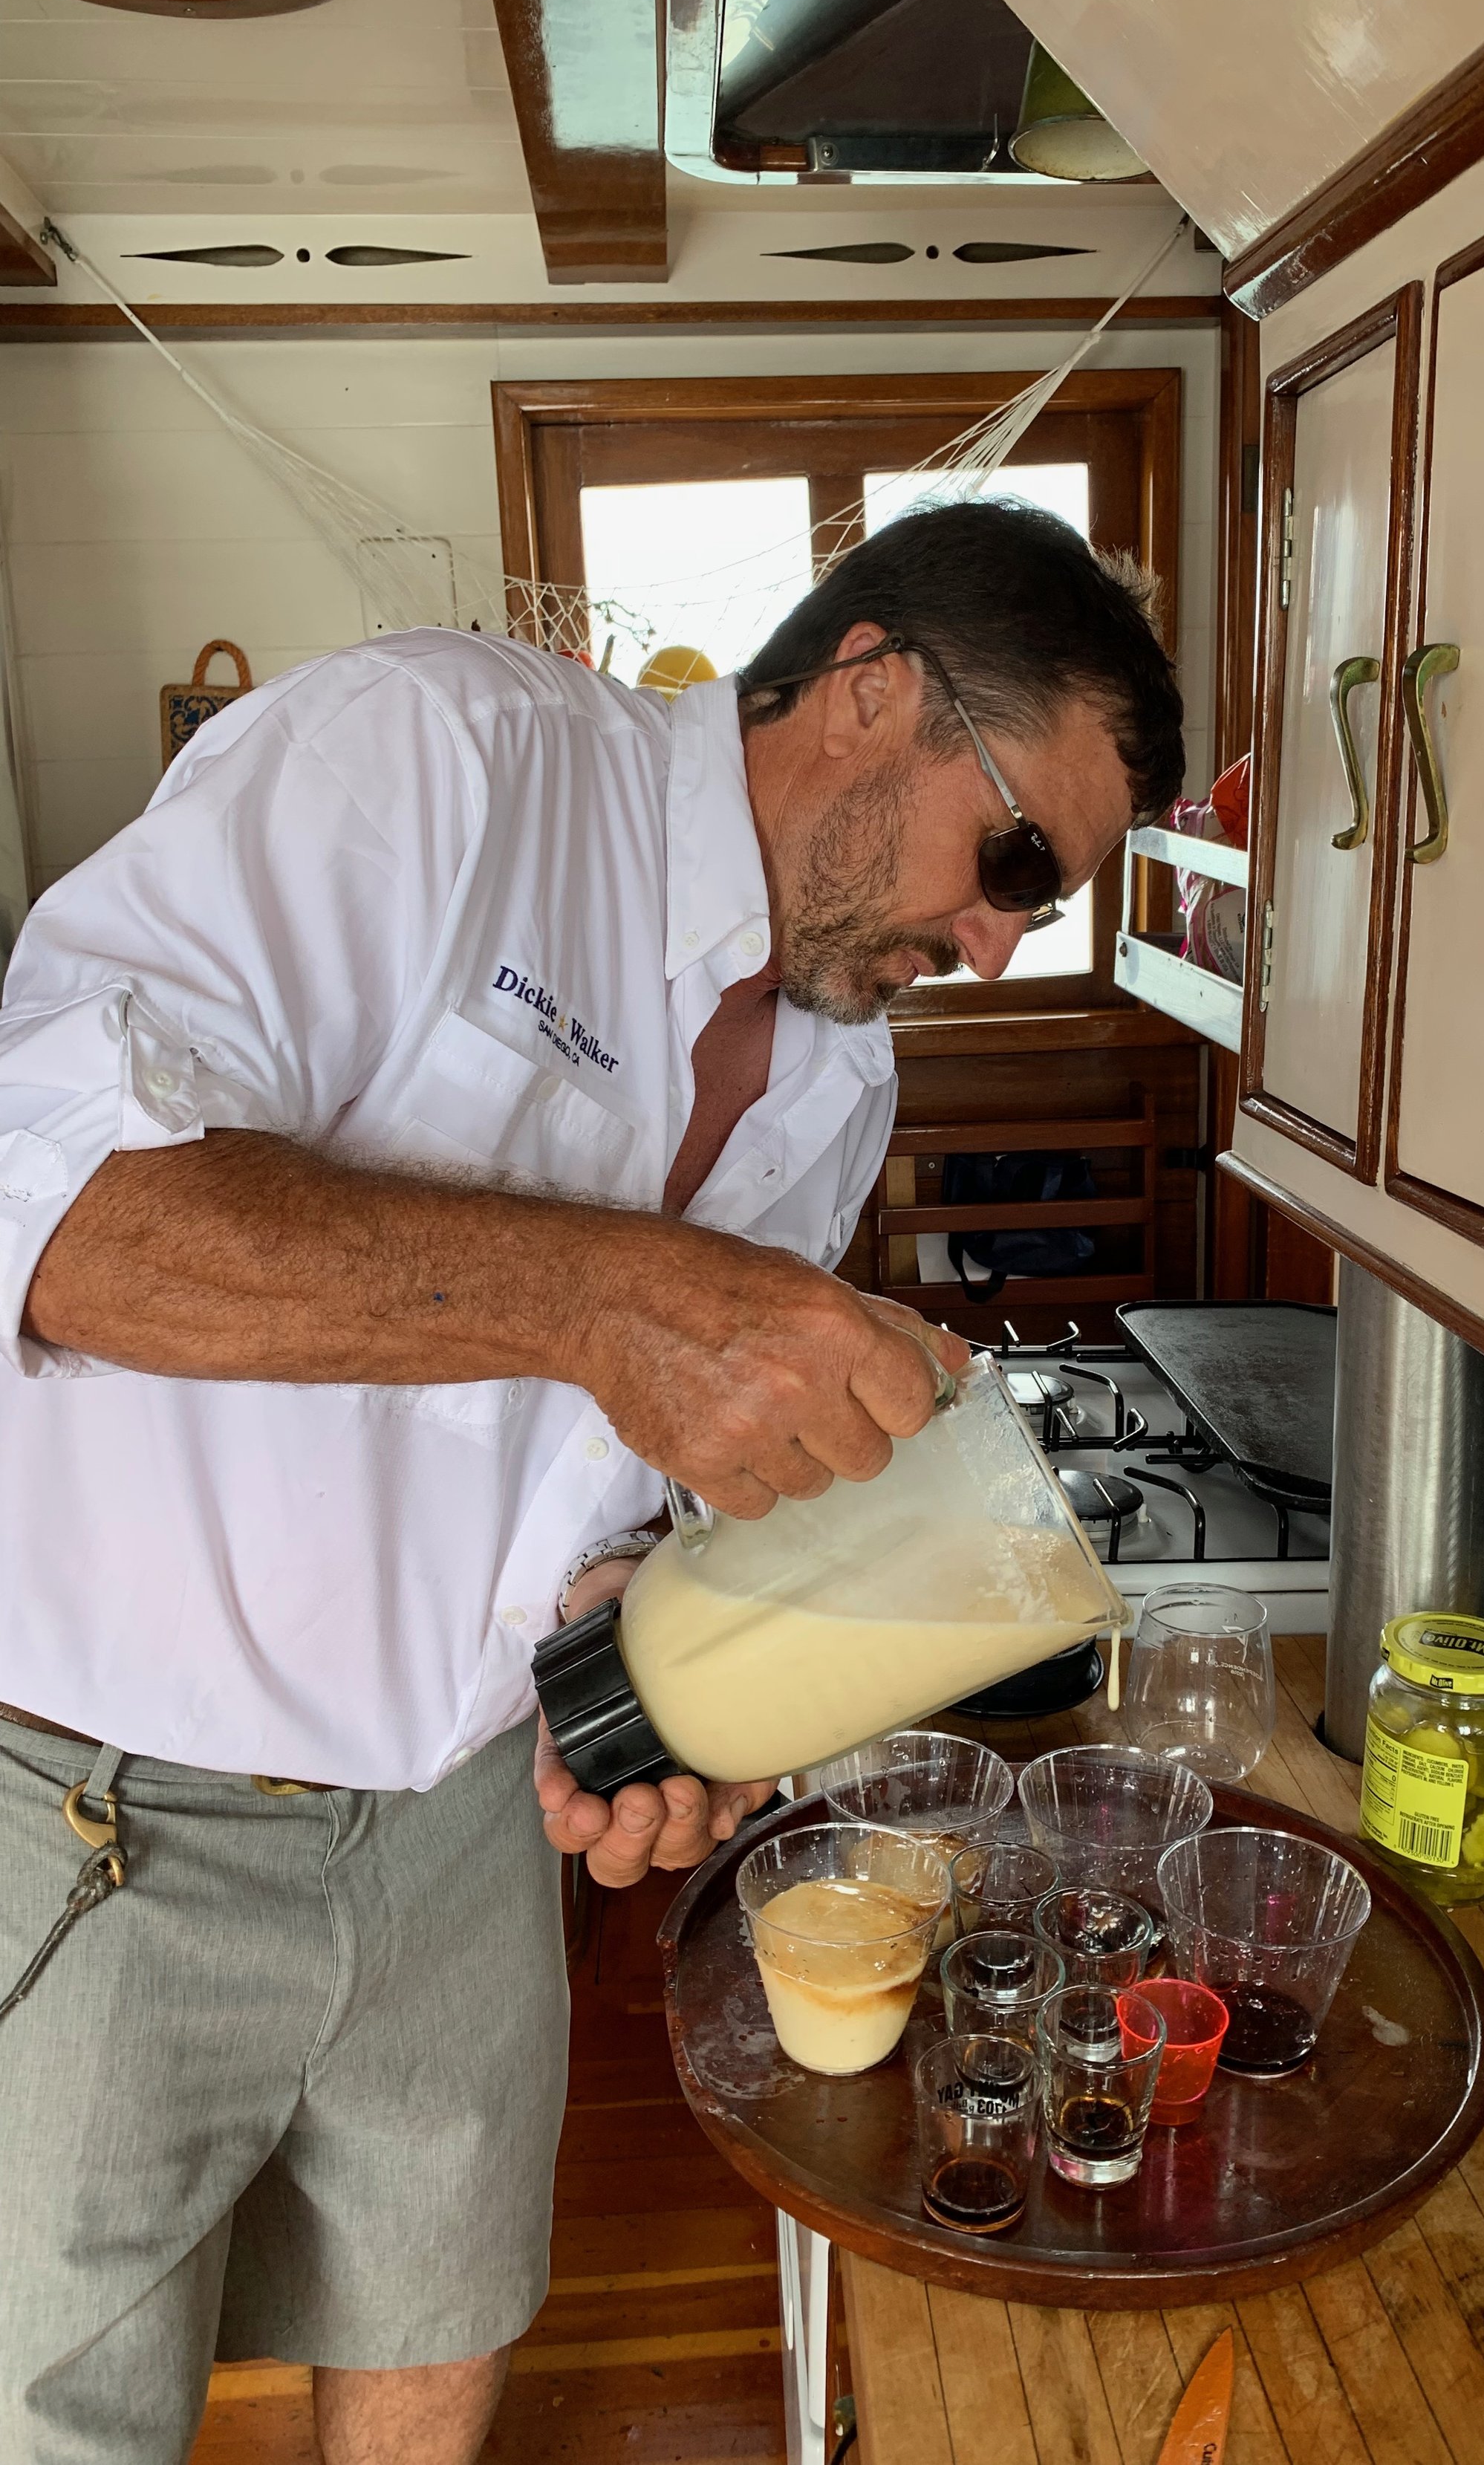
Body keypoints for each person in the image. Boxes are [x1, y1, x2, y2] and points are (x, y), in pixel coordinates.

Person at [0, 498, 1183, 2465]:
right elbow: (53, 1218)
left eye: (1032, 918)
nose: (988, 947)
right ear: (871, 693)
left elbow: (613, 1474)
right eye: (1013, 864)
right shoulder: (434, 759)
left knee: (441, 2315)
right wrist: (624, 1291)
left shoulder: (837, 1074)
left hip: (458, 1812)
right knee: (63, 2400)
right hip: (108, 1800)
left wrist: (642, 1682)